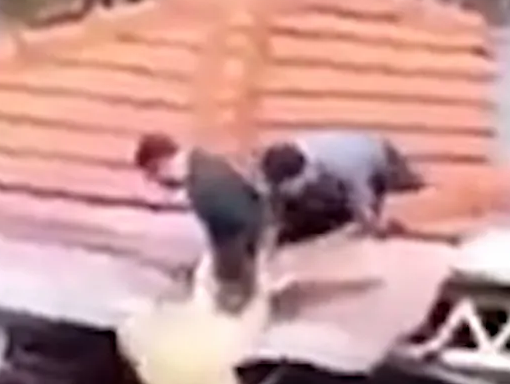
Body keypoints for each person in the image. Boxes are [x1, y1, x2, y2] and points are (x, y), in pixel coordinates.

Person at [134, 131, 268, 308]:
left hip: (247, 245)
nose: (159, 184)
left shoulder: (204, 187)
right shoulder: (203, 163)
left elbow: (236, 229)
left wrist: (229, 283)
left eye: (153, 177)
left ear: (160, 165)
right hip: (251, 232)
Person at [259, 130, 423, 243]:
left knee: (413, 193)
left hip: (377, 159)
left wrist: (375, 227)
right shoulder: (286, 156)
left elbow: (362, 206)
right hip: (344, 162)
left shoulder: (347, 166)